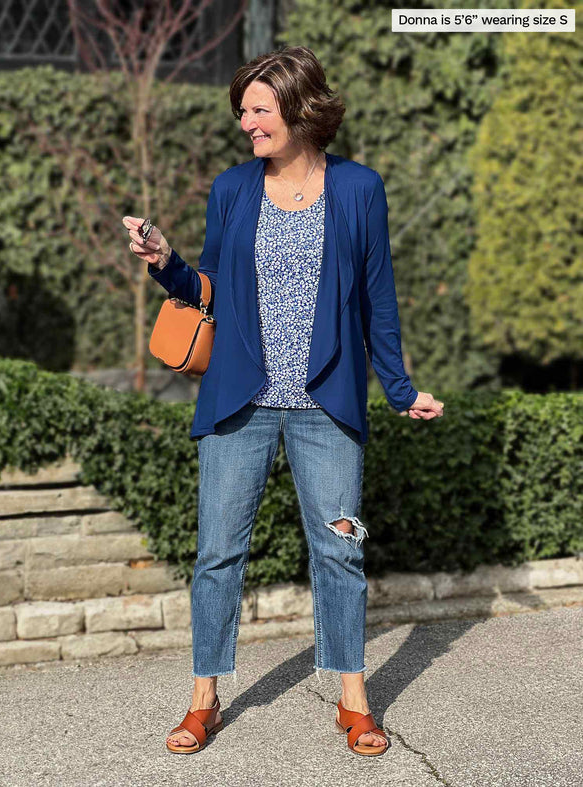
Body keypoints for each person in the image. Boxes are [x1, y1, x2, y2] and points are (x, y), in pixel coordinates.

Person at [123, 45, 444, 758]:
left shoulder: (360, 189)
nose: (247, 123)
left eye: (259, 110)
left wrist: (398, 390)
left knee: (341, 550)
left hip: (325, 401)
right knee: (217, 554)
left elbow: (376, 300)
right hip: (240, 398)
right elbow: (207, 290)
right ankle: (205, 696)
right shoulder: (232, 188)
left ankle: (353, 700)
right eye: (242, 112)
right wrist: (165, 262)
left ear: (300, 110)